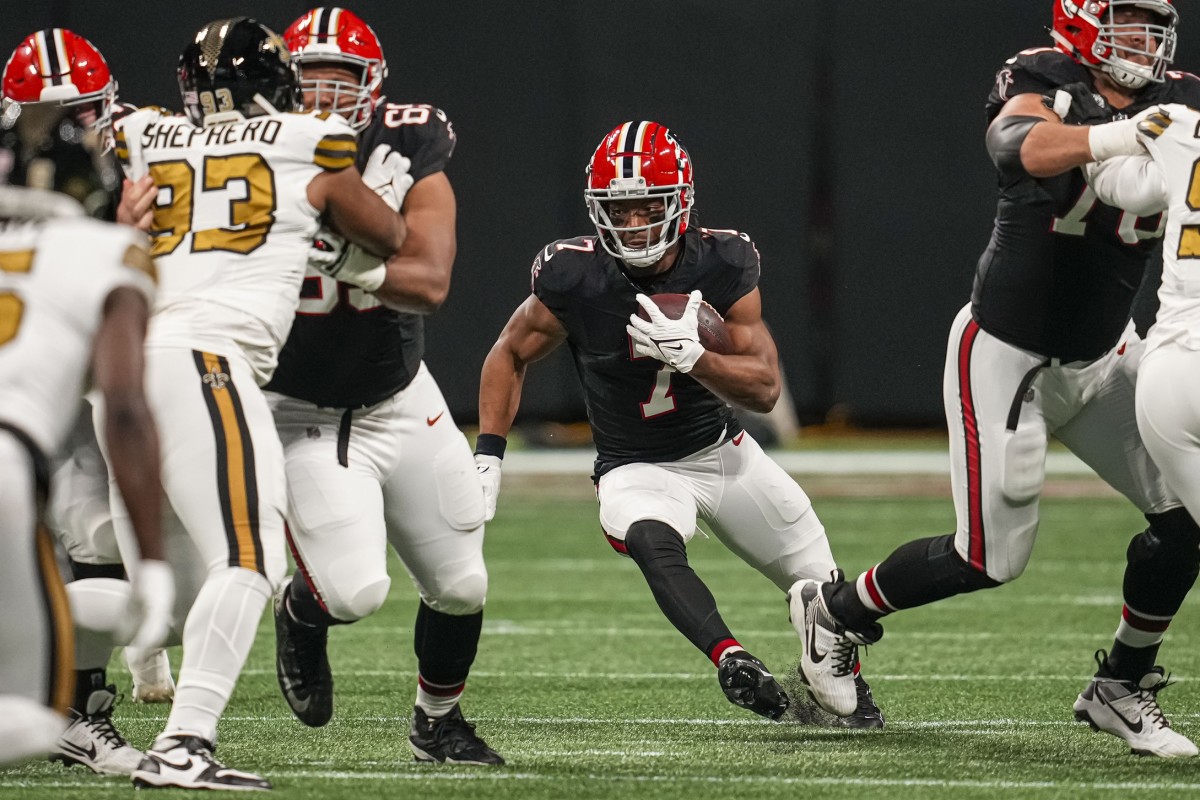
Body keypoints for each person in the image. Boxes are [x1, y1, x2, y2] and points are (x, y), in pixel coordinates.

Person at [792, 0, 1200, 758]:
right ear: (1082, 21)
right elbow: (1016, 144)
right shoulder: (1047, 74)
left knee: (1185, 520)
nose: (1143, 44)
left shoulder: (1180, 100)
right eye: (1127, 24)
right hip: (1007, 352)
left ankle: (1121, 686)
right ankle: (835, 611)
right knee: (990, 558)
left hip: (1107, 355)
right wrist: (1115, 136)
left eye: (1153, 27)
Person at [476, 119, 883, 728]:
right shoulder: (573, 275)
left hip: (721, 452)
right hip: (634, 465)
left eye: (648, 208)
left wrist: (698, 359)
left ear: (681, 205)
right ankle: (732, 657)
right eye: (621, 209)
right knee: (650, 537)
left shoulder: (722, 262)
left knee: (827, 591)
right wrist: (488, 454)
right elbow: (509, 351)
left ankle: (825, 661)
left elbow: (766, 388)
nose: (633, 223)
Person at [108, 16, 408, 790]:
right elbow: (390, 235)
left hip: (126, 368)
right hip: (206, 360)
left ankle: (84, 690)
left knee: (160, 600)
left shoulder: (146, 133)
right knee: (250, 557)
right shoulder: (307, 138)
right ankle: (184, 745)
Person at [257, 6, 501, 765]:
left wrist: (349, 263)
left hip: (398, 391)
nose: (327, 97)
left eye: (344, 81)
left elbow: (429, 283)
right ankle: (301, 609)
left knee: (462, 583)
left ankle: (437, 722)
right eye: (311, 79)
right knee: (355, 591)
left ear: (376, 88)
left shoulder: (407, 142)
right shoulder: (246, 156)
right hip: (297, 403)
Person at [1, 28, 175, 777]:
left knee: (92, 545)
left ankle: (80, 706)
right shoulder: (102, 237)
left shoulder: (152, 146)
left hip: (64, 390)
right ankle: (74, 709)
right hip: (43, 412)